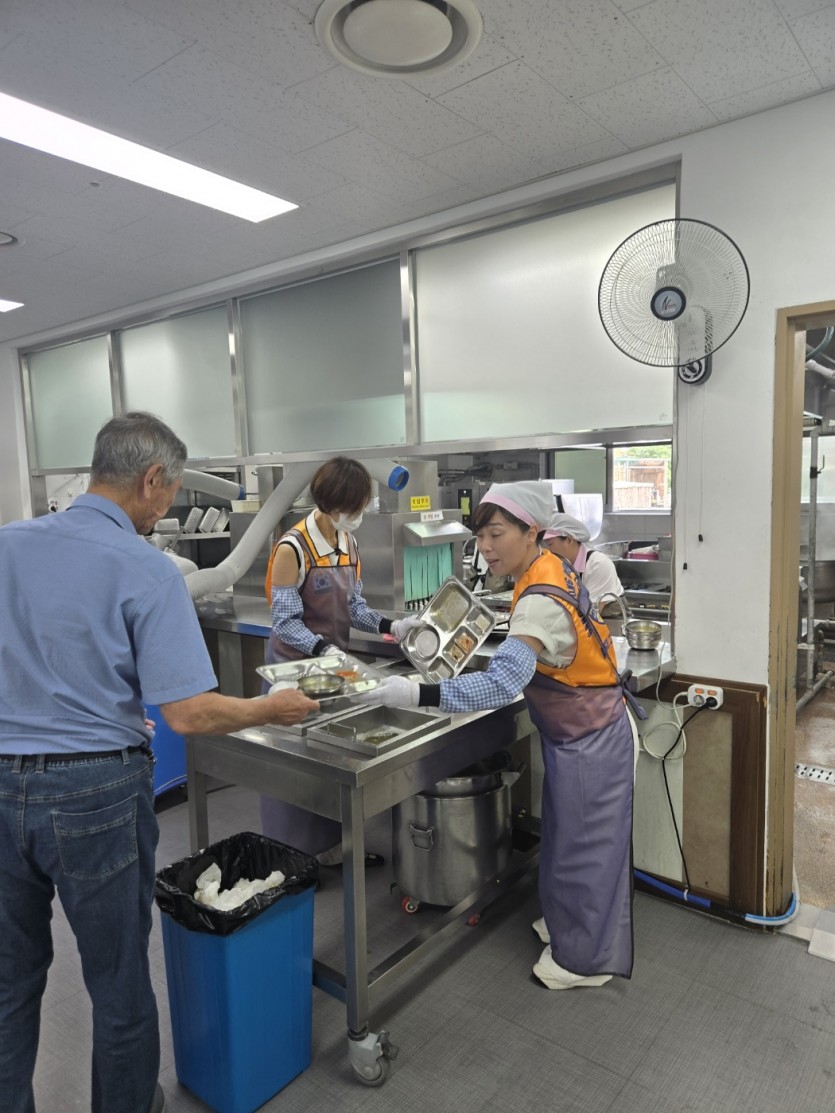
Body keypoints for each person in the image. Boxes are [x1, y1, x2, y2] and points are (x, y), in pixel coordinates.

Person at [0, 412, 317, 1113]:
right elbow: (189, 714)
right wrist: (270, 708)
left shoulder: (7, 543)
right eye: (169, 492)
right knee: (117, 983)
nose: (166, 508)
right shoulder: (146, 567)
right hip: (93, 794)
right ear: (151, 480)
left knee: (8, 982)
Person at [357, 481, 636, 990]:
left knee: (587, 850)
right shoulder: (547, 566)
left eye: (496, 534)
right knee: (566, 838)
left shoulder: (538, 599)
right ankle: (567, 923)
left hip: (592, 738)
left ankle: (585, 960)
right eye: (480, 536)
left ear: (532, 532)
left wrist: (416, 692)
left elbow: (503, 682)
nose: (485, 547)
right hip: (579, 732)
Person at [261, 455, 420, 863]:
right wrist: (323, 649)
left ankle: (332, 849)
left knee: (330, 758)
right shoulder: (292, 548)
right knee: (295, 766)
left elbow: (355, 607)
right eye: (355, 506)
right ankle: (290, 859)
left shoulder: (348, 542)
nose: (360, 514)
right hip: (292, 670)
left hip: (331, 670)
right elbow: (284, 622)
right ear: (331, 504)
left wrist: (391, 625)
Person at [541, 511, 625, 616]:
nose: (547, 550)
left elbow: (592, 614)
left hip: (611, 621)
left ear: (569, 539)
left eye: (550, 544)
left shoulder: (598, 564)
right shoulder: (560, 564)